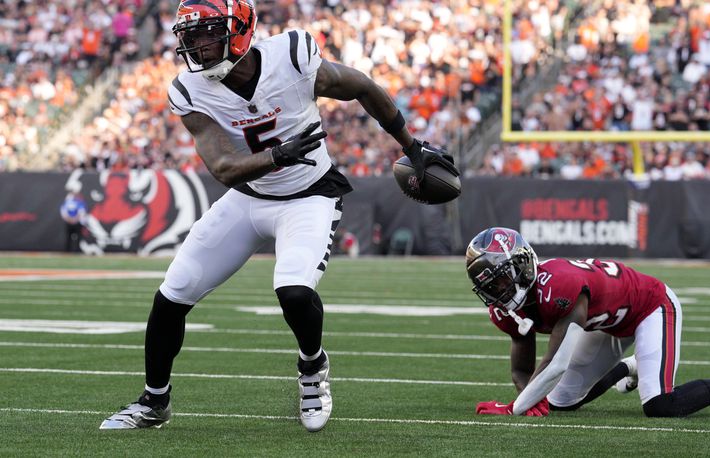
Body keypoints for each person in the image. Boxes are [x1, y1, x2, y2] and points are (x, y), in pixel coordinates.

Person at [100, 0, 457, 432]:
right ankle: (154, 403)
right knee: (172, 294)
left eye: (209, 33)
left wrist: (412, 147)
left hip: (309, 197)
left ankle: (312, 368)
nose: (199, 45)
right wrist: (277, 155)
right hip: (246, 198)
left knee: (292, 290)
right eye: (191, 37)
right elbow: (223, 168)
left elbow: (361, 85)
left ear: (240, 29)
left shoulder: (291, 57)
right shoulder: (190, 90)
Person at [465, 227, 710, 419]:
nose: (499, 291)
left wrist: (515, 407)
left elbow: (556, 363)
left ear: (522, 264)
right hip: (605, 323)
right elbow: (522, 370)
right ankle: (632, 366)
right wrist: (528, 398)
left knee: (660, 404)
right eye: (490, 286)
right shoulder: (504, 310)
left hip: (649, 306)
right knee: (558, 402)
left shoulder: (558, 286)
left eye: (502, 278)